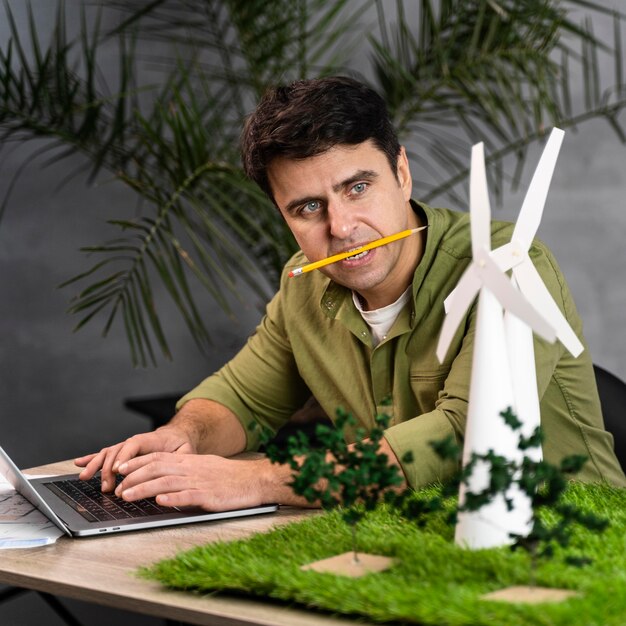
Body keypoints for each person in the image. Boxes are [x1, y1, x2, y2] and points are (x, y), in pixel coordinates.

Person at [76, 76, 626, 510]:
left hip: (570, 528)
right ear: (284, 216)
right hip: (412, 526)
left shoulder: (510, 265)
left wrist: (260, 479)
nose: (340, 227)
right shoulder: (306, 284)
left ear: (402, 173)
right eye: (307, 207)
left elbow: (464, 434)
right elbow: (241, 399)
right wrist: (185, 437)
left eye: (357, 188)